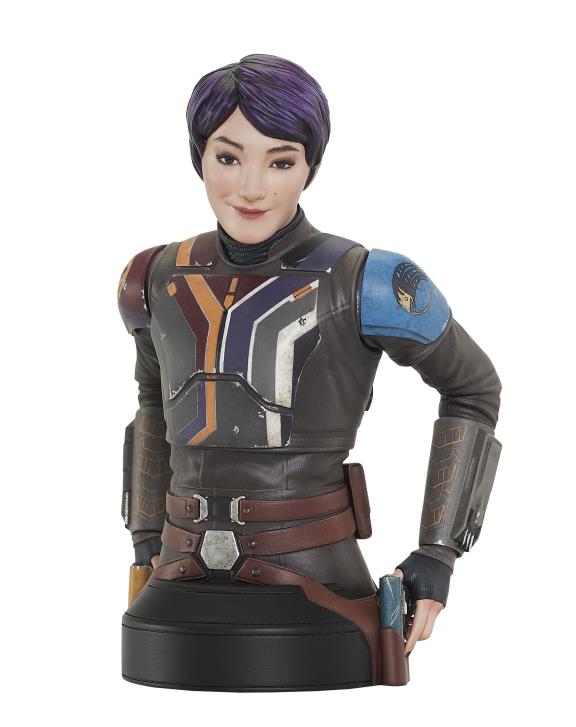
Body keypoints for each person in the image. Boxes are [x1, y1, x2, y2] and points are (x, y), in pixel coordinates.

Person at [118, 53, 502, 691]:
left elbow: (473, 387)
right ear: (199, 157)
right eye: (228, 157)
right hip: (175, 584)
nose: (252, 187)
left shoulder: (369, 280)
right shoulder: (154, 276)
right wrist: (145, 536)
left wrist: (437, 554)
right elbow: (153, 401)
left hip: (317, 588)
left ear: (310, 167)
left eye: (280, 162)